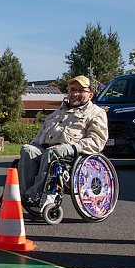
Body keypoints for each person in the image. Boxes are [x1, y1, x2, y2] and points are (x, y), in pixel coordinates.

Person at [18, 75, 108, 207]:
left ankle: (34, 194)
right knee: (28, 150)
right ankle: (25, 194)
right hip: (46, 149)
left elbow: (97, 141)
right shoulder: (56, 114)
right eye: (72, 89)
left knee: (52, 153)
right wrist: (32, 145)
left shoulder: (96, 113)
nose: (75, 94)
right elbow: (38, 137)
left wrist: (71, 147)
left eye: (81, 90)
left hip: (71, 154)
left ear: (90, 95)